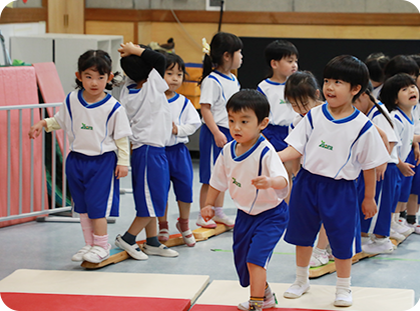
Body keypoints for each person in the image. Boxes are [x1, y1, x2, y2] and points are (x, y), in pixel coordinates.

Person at [278, 55, 390, 307]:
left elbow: (370, 167)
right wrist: (271, 157)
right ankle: (301, 279)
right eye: (327, 80)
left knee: (340, 239)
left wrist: (369, 198)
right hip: (307, 183)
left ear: (355, 89)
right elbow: (294, 148)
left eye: (338, 82)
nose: (329, 87)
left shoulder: (363, 126)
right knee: (302, 234)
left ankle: (343, 286)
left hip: (340, 189)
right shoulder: (314, 115)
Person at [28, 50, 132, 264]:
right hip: (76, 160)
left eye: (100, 77)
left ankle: (102, 246)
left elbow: (122, 138)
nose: (94, 82)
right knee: (82, 207)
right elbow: (60, 120)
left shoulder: (114, 108)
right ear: (79, 76)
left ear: (109, 78)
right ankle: (89, 243)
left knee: (97, 207)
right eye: (88, 76)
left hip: (102, 162)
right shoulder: (73, 99)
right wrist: (43, 124)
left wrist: (123, 162)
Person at [201, 89, 289, 311]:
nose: (236, 127)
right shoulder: (228, 150)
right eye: (231, 121)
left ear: (263, 123)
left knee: (255, 259)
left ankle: (256, 304)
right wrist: (208, 204)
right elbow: (216, 181)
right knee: (243, 263)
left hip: (271, 215)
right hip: (244, 215)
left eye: (244, 121)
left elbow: (282, 180)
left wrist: (270, 182)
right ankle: (266, 295)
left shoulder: (265, 151)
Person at [115, 42, 179, 260]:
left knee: (153, 199)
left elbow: (154, 61)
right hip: (149, 151)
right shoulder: (152, 84)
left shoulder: (127, 90)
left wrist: (132, 55)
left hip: (150, 151)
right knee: (153, 201)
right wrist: (135, 50)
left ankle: (152, 242)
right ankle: (128, 238)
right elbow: (159, 60)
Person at [285, 71, 332, 267]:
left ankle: (322, 250)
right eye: (294, 105)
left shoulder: (331, 114)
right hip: (308, 175)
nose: (299, 109)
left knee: (328, 215)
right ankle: (321, 248)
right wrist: (296, 173)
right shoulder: (297, 122)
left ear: (316, 94)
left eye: (303, 104)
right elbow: (294, 151)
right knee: (312, 217)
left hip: (331, 175)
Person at [197, 32, 243, 228]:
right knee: (209, 177)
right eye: (239, 53)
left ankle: (218, 212)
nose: (242, 57)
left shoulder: (233, 79)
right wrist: (216, 132)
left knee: (223, 175)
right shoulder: (212, 81)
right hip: (214, 134)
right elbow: (205, 108)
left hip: (229, 134)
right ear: (227, 55)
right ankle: (203, 214)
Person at [157, 52, 201, 247]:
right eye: (169, 73)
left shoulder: (183, 101)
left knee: (185, 189)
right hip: (159, 152)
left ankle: (183, 223)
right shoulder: (153, 100)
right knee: (161, 190)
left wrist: (178, 130)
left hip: (179, 152)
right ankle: (163, 224)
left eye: (179, 74)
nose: (175, 78)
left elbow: (195, 123)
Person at [353, 83, 400, 253]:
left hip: (383, 168)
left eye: (355, 103)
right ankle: (366, 237)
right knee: (374, 203)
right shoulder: (375, 110)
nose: (355, 108)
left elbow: (391, 140)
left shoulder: (378, 114)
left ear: (365, 95)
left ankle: (379, 240)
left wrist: (381, 162)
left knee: (377, 205)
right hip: (381, 167)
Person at [380, 73, 420, 238]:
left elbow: (409, 138)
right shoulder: (395, 117)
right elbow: (392, 145)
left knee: (399, 194)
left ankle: (394, 222)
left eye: (412, 86)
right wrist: (399, 163)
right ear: (395, 99)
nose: (411, 90)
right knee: (390, 197)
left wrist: (415, 144)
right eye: (404, 89)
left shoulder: (410, 114)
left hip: (401, 161)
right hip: (393, 164)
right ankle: (386, 227)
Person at [257, 39, 299, 152]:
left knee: (291, 168)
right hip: (272, 134)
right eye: (290, 61)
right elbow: (259, 113)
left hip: (295, 131)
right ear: (274, 64)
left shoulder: (298, 84)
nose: (294, 65)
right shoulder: (264, 87)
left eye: (296, 61)